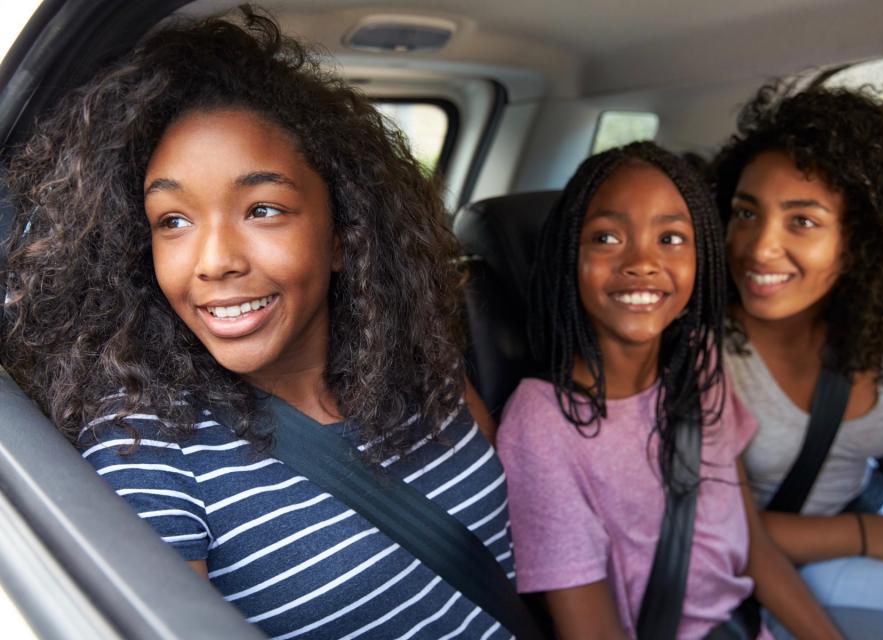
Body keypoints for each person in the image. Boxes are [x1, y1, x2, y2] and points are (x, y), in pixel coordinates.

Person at [0, 9, 512, 639]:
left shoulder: (417, 356)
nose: (214, 262)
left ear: (343, 238)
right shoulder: (149, 452)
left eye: (263, 209)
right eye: (173, 221)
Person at [496, 141, 840, 639]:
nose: (642, 261)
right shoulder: (542, 423)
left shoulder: (697, 361)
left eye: (672, 238)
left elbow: (752, 547)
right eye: (607, 237)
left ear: (701, 257)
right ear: (568, 256)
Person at [714, 82, 883, 638]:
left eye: (801, 221)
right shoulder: (705, 344)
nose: (758, 248)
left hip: (881, 509)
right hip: (766, 569)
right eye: (746, 213)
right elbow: (707, 528)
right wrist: (869, 536)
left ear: (864, 240)